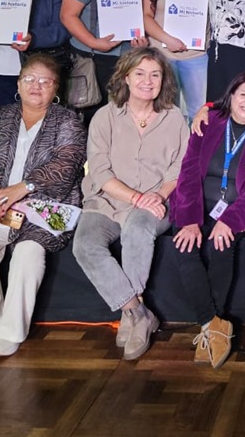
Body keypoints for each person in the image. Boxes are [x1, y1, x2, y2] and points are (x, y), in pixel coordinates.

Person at [0, 54, 86, 356]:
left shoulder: (68, 120)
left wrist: (22, 189)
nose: (36, 86)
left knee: (28, 254)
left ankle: (11, 332)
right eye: (30, 79)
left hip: (47, 207)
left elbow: (67, 163)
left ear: (56, 88)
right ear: (18, 84)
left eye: (45, 81)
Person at [73, 48, 189, 361]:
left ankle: (131, 316)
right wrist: (136, 197)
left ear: (163, 80)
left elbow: (179, 169)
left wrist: (158, 196)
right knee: (85, 245)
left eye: (155, 74)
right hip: (107, 201)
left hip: (156, 202)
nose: (147, 81)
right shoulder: (104, 117)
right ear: (126, 77)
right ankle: (137, 312)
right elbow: (100, 172)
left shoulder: (174, 118)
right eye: (140, 73)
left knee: (138, 227)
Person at [169, 72, 245, 369]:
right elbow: (189, 172)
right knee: (185, 247)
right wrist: (190, 219)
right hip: (194, 204)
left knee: (220, 246)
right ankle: (214, 326)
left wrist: (230, 219)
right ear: (231, 96)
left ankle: (210, 332)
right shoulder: (210, 121)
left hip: (233, 210)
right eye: (243, 95)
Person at [142, 0, 217, 121]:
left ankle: (194, 143)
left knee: (199, 113)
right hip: (162, 55)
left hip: (197, 57)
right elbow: (146, 17)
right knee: (164, 112)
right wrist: (168, 39)